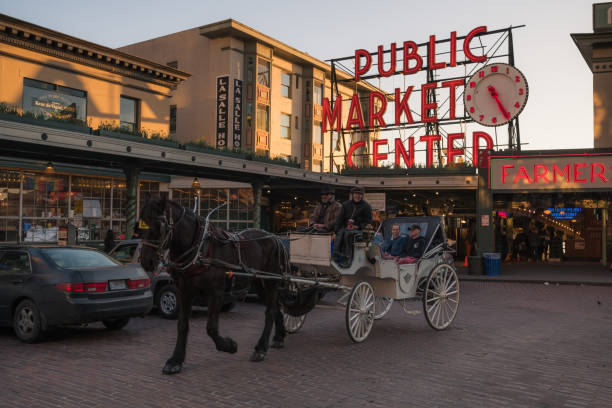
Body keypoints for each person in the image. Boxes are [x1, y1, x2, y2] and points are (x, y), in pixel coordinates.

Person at [333, 186, 373, 267]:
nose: (357, 196)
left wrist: (357, 226)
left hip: (359, 230)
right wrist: (335, 231)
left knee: (348, 234)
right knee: (340, 233)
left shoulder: (366, 206)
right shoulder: (345, 204)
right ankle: (336, 255)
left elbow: (368, 221)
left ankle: (348, 258)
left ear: (362, 195)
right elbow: (339, 219)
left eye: (359, 194)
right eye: (356, 194)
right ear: (352, 195)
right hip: (345, 228)